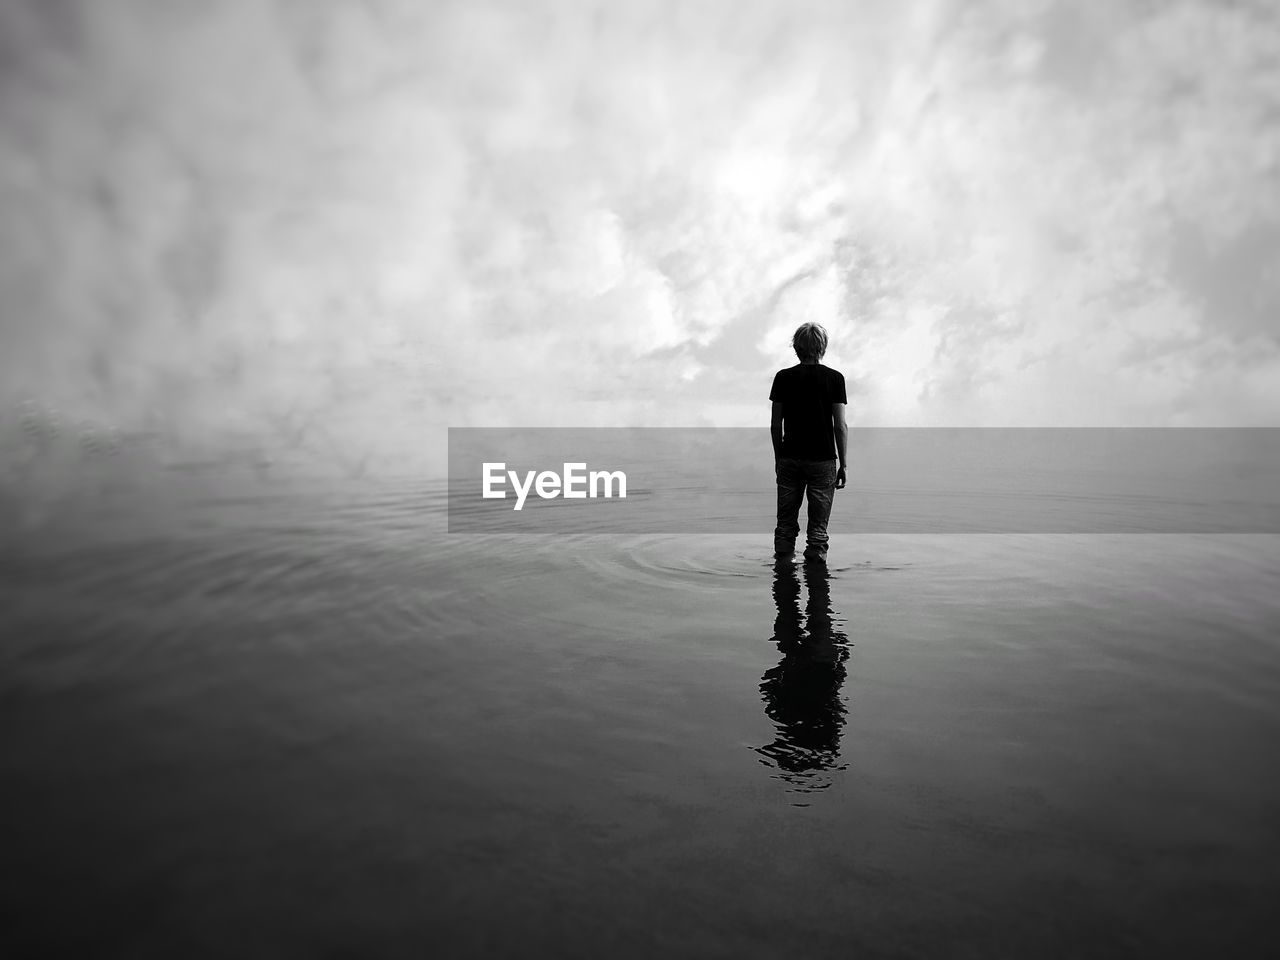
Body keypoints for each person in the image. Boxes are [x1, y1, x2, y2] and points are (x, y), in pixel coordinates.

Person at [769, 322, 847, 561]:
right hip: (823, 460)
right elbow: (839, 425)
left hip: (790, 458)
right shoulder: (834, 379)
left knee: (785, 526)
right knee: (818, 532)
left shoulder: (783, 377)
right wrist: (843, 463)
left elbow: (775, 425)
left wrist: (778, 458)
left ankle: (783, 582)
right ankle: (818, 585)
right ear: (822, 347)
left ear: (796, 347)